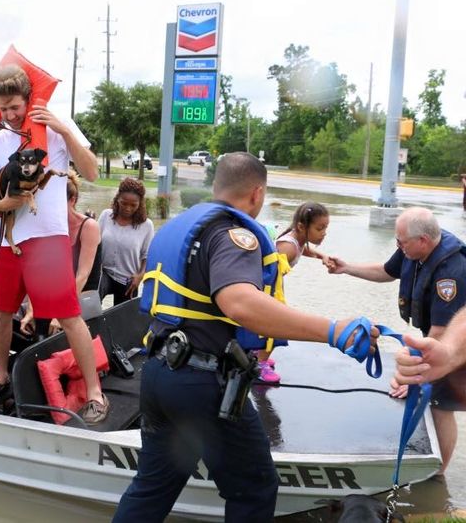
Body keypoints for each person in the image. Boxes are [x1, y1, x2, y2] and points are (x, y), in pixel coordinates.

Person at [112, 152, 377, 522]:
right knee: (254, 488)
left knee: (153, 485)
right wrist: (333, 331)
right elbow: (240, 303)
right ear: (257, 193)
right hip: (202, 382)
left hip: (157, 375)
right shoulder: (234, 236)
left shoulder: (180, 226)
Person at [0, 65, 108, 423]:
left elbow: (91, 172)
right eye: (3, 109)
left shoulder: (57, 129)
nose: (10, 116)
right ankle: (0, 375)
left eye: (15, 107)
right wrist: (2, 205)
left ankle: (94, 392)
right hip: (5, 242)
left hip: (48, 241)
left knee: (70, 315)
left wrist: (61, 129)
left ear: (30, 100)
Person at [327, 206, 466, 473]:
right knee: (432, 397)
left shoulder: (452, 272)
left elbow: (440, 333)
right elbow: (387, 271)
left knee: (440, 403)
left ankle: (438, 475)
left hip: (457, 341)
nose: (398, 246)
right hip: (440, 337)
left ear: (422, 241)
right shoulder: (413, 248)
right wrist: (347, 268)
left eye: (401, 242)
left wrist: (414, 375)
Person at [20, 169, 102, 337]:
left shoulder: (89, 227)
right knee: (32, 324)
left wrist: (61, 314)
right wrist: (31, 308)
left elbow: (82, 276)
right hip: (56, 293)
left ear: (72, 200)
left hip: (81, 293)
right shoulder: (49, 227)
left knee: (60, 325)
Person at [257, 201, 331, 383]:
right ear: (301, 226)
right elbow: (269, 272)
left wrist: (321, 256)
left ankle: (258, 354)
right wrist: (273, 300)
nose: (324, 233)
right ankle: (260, 364)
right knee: (274, 324)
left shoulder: (298, 240)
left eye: (325, 228)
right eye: (319, 228)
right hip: (267, 288)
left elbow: (303, 249)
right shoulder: (287, 247)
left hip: (273, 287)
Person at [98, 178, 154, 305]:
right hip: (104, 273)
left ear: (140, 204)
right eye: (124, 203)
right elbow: (94, 244)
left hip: (128, 280)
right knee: (91, 304)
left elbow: (147, 256)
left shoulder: (146, 225)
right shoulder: (106, 216)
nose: (128, 208)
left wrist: (140, 277)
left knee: (123, 320)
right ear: (117, 199)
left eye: (133, 205)